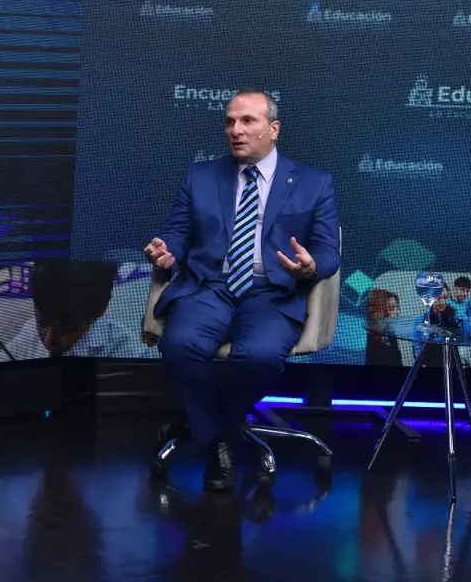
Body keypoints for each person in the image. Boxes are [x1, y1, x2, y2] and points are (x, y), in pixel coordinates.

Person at [140, 90, 339, 492]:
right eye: (230, 121)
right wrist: (167, 251)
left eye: (247, 121)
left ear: (273, 129)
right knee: (179, 345)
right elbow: (179, 232)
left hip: (272, 290)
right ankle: (221, 438)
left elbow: (327, 251)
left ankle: (207, 425)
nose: (235, 130)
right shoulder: (200, 176)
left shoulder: (314, 183)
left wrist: (311, 266)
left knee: (260, 357)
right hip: (209, 286)